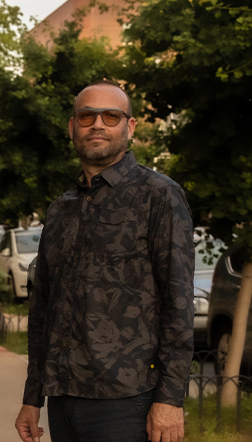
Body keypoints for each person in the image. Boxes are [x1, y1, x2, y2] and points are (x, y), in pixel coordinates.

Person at [14, 81, 194, 442]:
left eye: (111, 116)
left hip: (127, 402)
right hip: (63, 399)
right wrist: (32, 397)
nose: (97, 124)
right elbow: (43, 307)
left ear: (130, 127)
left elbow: (178, 303)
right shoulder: (60, 209)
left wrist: (170, 400)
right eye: (87, 116)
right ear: (72, 127)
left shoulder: (159, 196)